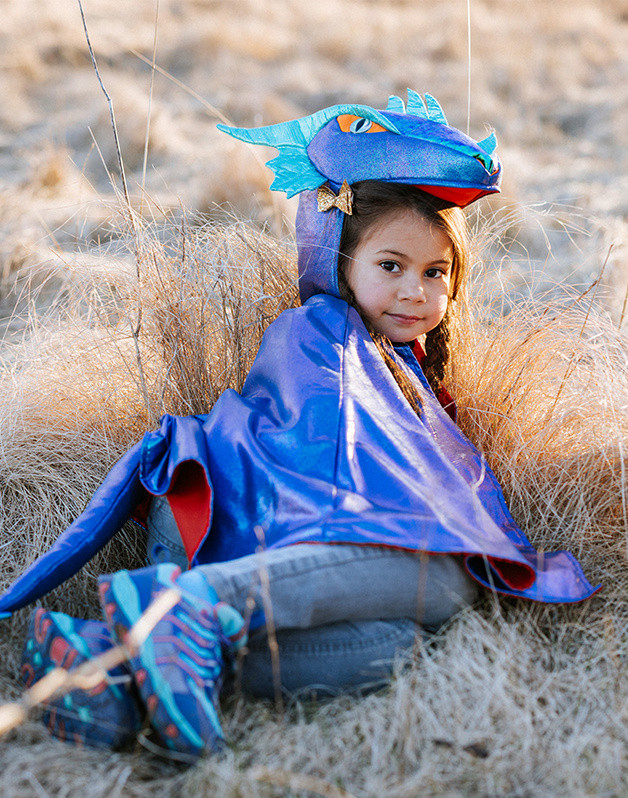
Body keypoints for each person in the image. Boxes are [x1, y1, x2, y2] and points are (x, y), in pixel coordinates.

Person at [3, 91, 599, 760]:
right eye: (390, 267)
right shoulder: (321, 332)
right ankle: (188, 606)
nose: (415, 291)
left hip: (258, 529)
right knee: (449, 582)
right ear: (336, 262)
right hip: (217, 519)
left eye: (437, 273)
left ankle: (109, 672)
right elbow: (329, 455)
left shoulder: (393, 361)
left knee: (391, 644)